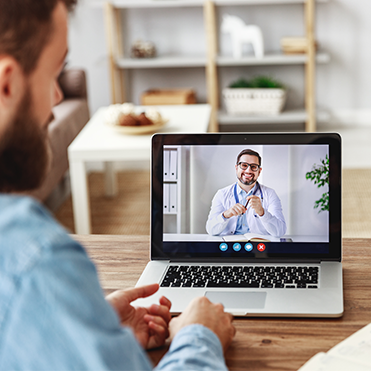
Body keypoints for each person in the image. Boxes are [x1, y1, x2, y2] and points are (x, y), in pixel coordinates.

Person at [0, 1, 235, 370]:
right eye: (54, 74)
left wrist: (88, 323)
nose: (57, 98)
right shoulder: (34, 258)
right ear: (7, 83)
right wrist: (198, 336)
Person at [206, 149, 287, 237]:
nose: (248, 170)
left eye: (253, 167)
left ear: (259, 171)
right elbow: (211, 230)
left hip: (258, 247)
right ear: (236, 168)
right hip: (229, 247)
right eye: (244, 165)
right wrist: (226, 215)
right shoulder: (221, 194)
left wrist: (262, 212)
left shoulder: (270, 194)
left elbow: (280, 231)